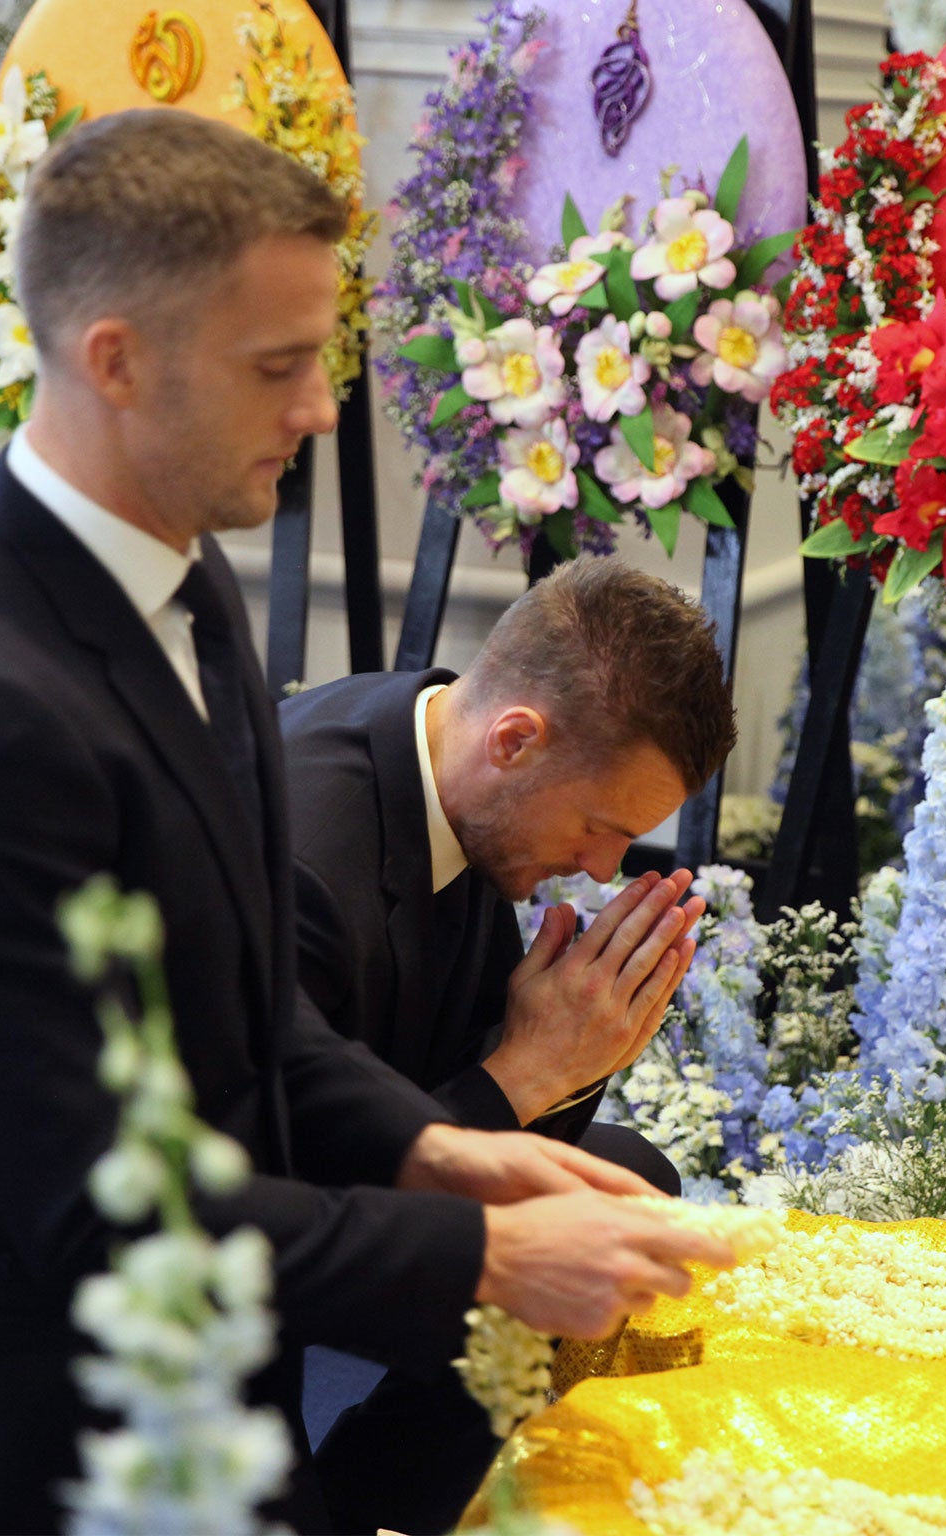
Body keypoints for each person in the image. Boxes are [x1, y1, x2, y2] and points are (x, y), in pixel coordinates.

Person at [0, 110, 733, 1536]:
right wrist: (480, 1251)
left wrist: (447, 1149)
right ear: (118, 359)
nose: (319, 409)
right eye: (279, 365)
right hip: (9, 1438)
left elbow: (250, 1017)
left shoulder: (188, 589)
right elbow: (93, 1215)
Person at [279, 559, 736, 1531]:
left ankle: (388, 1488)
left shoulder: (456, 769)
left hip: (381, 1165)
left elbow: (476, 1073)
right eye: (602, 827)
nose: (602, 869)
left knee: (625, 1186)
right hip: (231, 1262)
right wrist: (526, 1071)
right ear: (516, 739)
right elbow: (292, 1193)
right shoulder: (304, 867)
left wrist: (577, 1052)